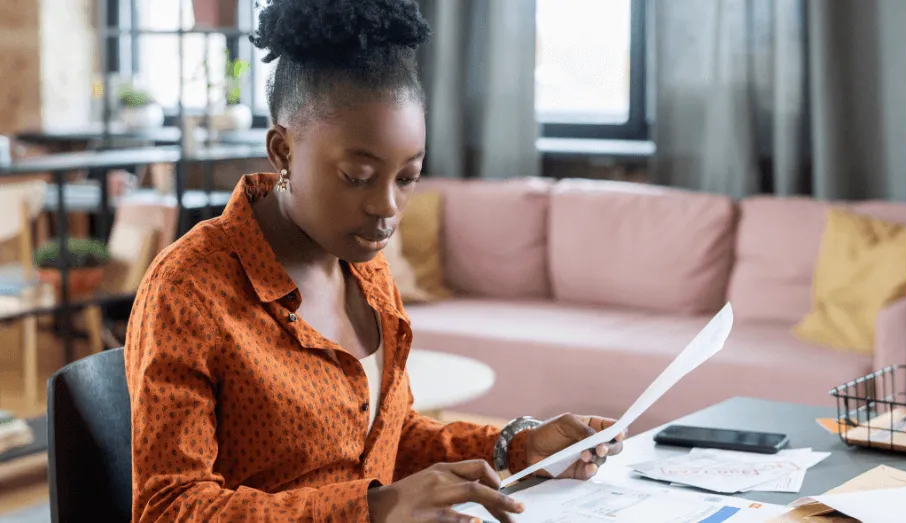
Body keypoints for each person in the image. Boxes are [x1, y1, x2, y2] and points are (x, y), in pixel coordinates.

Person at [124, 1, 624, 521]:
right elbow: (169, 509)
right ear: (283, 151)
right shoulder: (189, 291)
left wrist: (516, 448)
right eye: (358, 177)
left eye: (406, 178)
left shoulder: (364, 267)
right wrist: (375, 508)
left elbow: (386, 439)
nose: (387, 207)